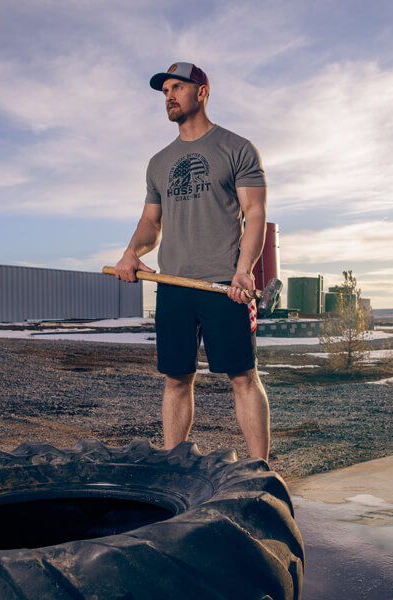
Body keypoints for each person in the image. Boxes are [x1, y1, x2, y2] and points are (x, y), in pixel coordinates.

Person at [114, 62, 270, 460]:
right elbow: (151, 222)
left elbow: (255, 214)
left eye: (178, 87)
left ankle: (261, 471)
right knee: (176, 379)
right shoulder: (158, 162)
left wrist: (244, 270)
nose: (168, 96)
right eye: (165, 90)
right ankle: (175, 466)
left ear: (202, 92)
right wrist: (133, 253)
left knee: (243, 378)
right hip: (175, 286)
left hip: (223, 284)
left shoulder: (236, 148)